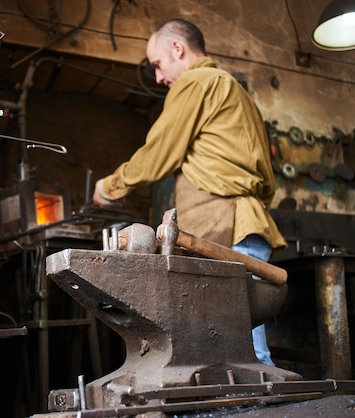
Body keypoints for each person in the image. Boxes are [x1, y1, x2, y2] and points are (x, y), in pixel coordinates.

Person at [92, 18, 287, 366]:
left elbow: (158, 154)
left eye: (157, 64)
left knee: (244, 358)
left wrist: (109, 187)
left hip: (227, 231)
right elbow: (268, 183)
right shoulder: (238, 93)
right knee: (245, 353)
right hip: (251, 227)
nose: (158, 78)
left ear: (177, 49)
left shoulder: (197, 82)